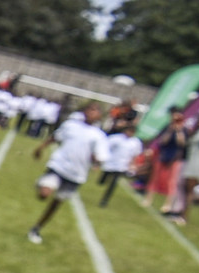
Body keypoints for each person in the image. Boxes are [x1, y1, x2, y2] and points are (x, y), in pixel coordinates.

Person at [29, 104, 104, 243]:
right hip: (59, 166)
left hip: (76, 175)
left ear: (99, 116)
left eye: (96, 111)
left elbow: (99, 155)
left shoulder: (98, 136)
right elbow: (55, 137)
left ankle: (37, 228)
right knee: (44, 194)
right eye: (90, 109)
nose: (92, 113)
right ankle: (42, 184)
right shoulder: (71, 125)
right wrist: (40, 148)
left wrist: (96, 162)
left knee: (56, 203)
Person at [148, 109, 193, 220]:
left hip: (175, 158)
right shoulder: (168, 128)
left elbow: (182, 143)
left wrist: (178, 131)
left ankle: (168, 204)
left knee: (172, 181)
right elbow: (163, 141)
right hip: (164, 155)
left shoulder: (184, 130)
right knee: (154, 178)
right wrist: (170, 130)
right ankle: (149, 198)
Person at [97, 118, 141, 207]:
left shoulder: (135, 142)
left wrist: (132, 164)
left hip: (121, 166)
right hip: (110, 163)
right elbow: (105, 147)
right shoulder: (116, 138)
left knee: (113, 183)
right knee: (102, 181)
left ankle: (105, 200)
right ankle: (102, 179)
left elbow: (135, 155)